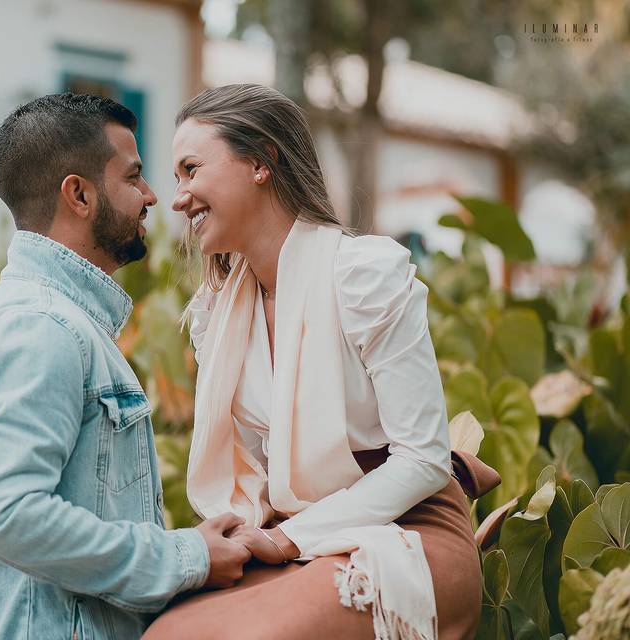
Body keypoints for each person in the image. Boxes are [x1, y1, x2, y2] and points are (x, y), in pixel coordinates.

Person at [143, 84, 501, 640]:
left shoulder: (363, 276)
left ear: (261, 162)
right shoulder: (219, 313)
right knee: (166, 633)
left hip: (408, 531)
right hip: (294, 532)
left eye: (192, 169)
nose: (179, 197)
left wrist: (290, 540)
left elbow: (424, 460)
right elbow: (263, 468)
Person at [0, 93, 251, 640]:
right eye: (133, 177)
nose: (153, 196)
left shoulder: (59, 321)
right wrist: (186, 557)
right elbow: (9, 515)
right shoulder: (42, 327)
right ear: (79, 195)